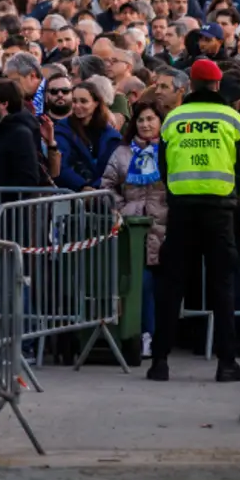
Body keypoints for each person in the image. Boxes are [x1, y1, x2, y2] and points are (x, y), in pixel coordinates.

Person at [150, 58, 240, 383]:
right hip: (220, 211)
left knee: (172, 286)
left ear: (190, 85)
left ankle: (159, 363)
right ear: (218, 85)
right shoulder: (232, 118)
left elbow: (164, 167)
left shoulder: (174, 119)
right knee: (223, 288)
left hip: (182, 210)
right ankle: (226, 363)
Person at [101, 100, 168, 360]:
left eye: (151, 119)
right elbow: (107, 185)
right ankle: (145, 334)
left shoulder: (170, 150)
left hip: (163, 225)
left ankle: (159, 335)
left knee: (160, 285)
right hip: (132, 227)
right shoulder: (122, 153)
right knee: (143, 283)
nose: (145, 124)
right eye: (140, 120)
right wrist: (123, 207)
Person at [54, 80, 122, 192]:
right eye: (74, 101)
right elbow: (61, 165)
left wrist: (96, 187)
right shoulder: (62, 129)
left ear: (96, 103)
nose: (77, 106)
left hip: (104, 193)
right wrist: (82, 186)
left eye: (83, 101)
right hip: (73, 193)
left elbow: (114, 168)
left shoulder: (110, 135)